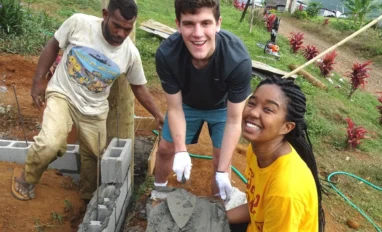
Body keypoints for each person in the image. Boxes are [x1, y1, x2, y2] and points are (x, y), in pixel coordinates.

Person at [12, 0, 164, 201]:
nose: (120, 33)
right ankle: (26, 178)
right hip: (63, 95)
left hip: (95, 109)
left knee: (94, 157)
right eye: (116, 25)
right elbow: (54, 45)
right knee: (51, 143)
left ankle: (86, 198)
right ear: (105, 14)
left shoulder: (130, 54)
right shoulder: (79, 24)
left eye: (127, 29)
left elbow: (138, 87)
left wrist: (158, 115)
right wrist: (38, 80)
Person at [153, 0, 252, 200]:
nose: (198, 33)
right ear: (178, 25)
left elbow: (234, 119)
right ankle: (159, 191)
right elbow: (174, 108)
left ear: (218, 24)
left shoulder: (238, 60)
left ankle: (218, 205)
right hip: (186, 105)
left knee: (220, 159)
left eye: (205, 23)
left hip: (222, 107)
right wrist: (181, 151)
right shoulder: (166, 55)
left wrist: (223, 171)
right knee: (165, 149)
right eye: (189, 23)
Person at [227, 77, 325, 231]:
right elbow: (256, 209)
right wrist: (218, 216)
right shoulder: (256, 151)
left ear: (287, 127)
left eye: (268, 109)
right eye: (252, 103)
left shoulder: (285, 190)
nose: (253, 112)